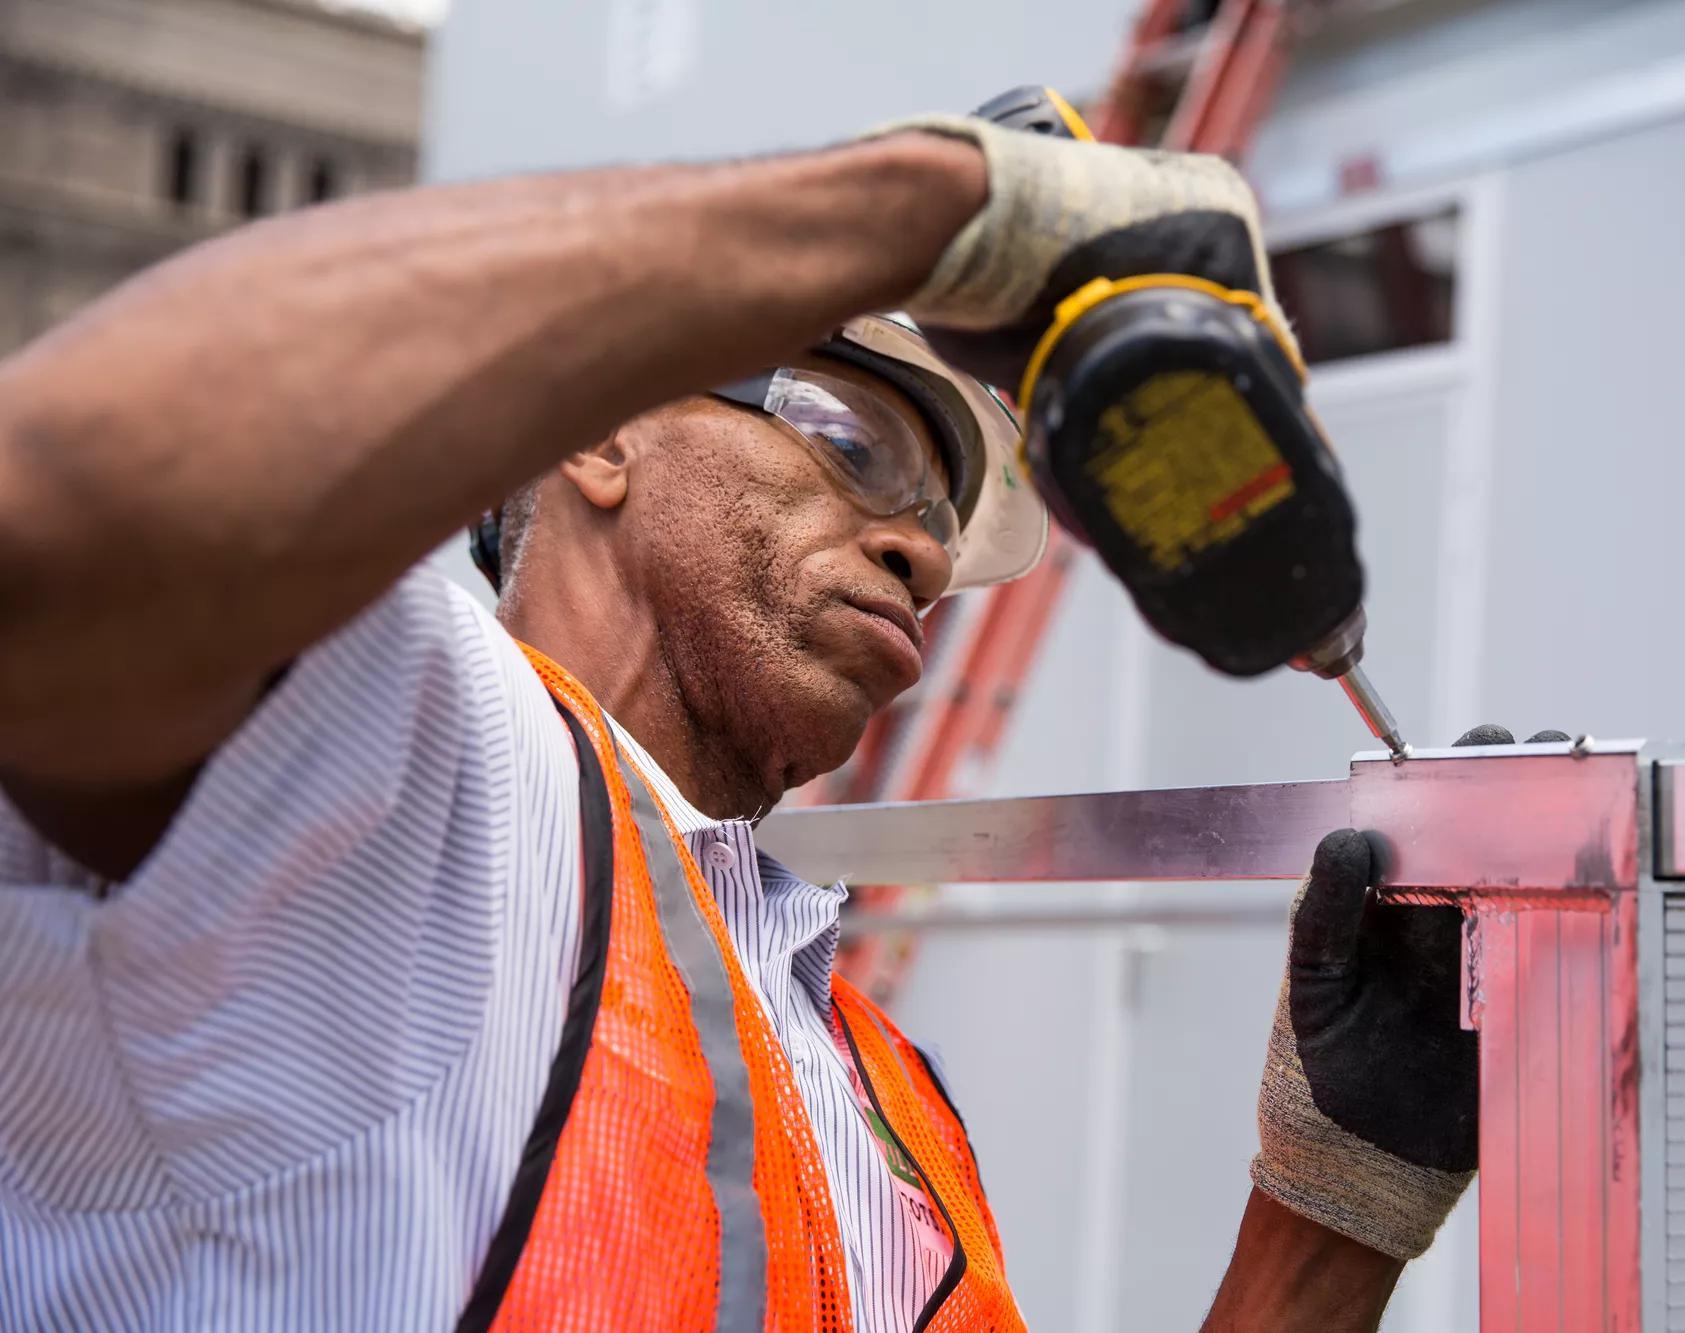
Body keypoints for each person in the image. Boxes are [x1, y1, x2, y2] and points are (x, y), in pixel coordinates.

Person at [0, 107, 1504, 1331]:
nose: (920, 550)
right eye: (849, 436)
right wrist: (943, 205)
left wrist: (1329, 1215)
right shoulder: (416, 765)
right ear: (596, 429)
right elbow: (53, 512)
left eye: (945, 511)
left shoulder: (880, 1099)